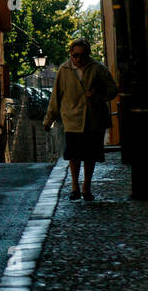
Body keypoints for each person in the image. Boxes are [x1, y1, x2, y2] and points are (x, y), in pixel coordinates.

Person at [43, 38, 117, 200]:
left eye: (82, 56)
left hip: (94, 118)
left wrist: (98, 96)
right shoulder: (64, 70)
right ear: (71, 53)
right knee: (74, 154)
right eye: (75, 55)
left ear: (88, 54)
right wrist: (49, 119)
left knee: (90, 155)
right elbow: (56, 96)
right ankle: (75, 187)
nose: (78, 59)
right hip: (72, 119)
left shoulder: (98, 69)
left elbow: (113, 90)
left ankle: (86, 187)